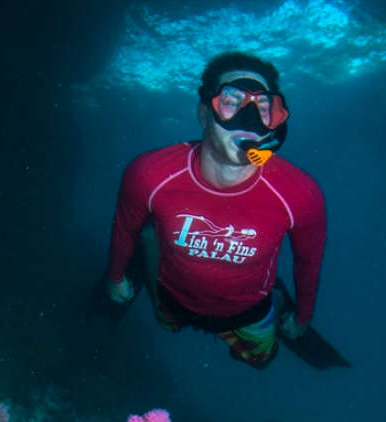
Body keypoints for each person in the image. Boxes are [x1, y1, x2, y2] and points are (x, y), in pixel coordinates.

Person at [104, 51, 328, 369]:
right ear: (203, 113)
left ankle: (276, 298)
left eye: (264, 108)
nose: (248, 120)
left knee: (260, 359)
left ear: (275, 121)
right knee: (167, 323)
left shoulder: (299, 194)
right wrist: (115, 278)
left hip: (249, 308)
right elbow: (124, 227)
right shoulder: (150, 174)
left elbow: (309, 261)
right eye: (231, 102)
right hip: (172, 293)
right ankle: (152, 242)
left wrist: (302, 315)